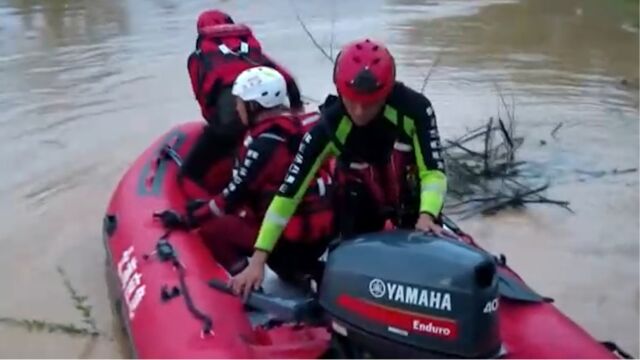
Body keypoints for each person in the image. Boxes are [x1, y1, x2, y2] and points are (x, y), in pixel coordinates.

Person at [229, 38, 454, 298]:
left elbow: (433, 170)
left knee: (427, 268)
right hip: (360, 202)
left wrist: (427, 215)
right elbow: (288, 194)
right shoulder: (328, 127)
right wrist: (258, 260)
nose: (359, 112)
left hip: (412, 199)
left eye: (370, 103)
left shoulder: (415, 109)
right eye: (352, 100)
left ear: (387, 91)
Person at [185, 66, 335, 283]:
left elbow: (231, 198)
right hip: (320, 236)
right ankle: (303, 272)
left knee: (212, 226)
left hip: (287, 245)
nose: (237, 108)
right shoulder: (307, 124)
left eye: (240, 102)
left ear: (254, 105)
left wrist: (189, 217)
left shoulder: (264, 146)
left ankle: (246, 285)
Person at [180, 9, 304, 194]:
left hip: (233, 123)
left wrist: (216, 130)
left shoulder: (199, 57)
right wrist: (297, 112)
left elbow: (204, 98)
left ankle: (197, 209)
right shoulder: (248, 48)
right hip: (271, 116)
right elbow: (288, 80)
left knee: (189, 173)